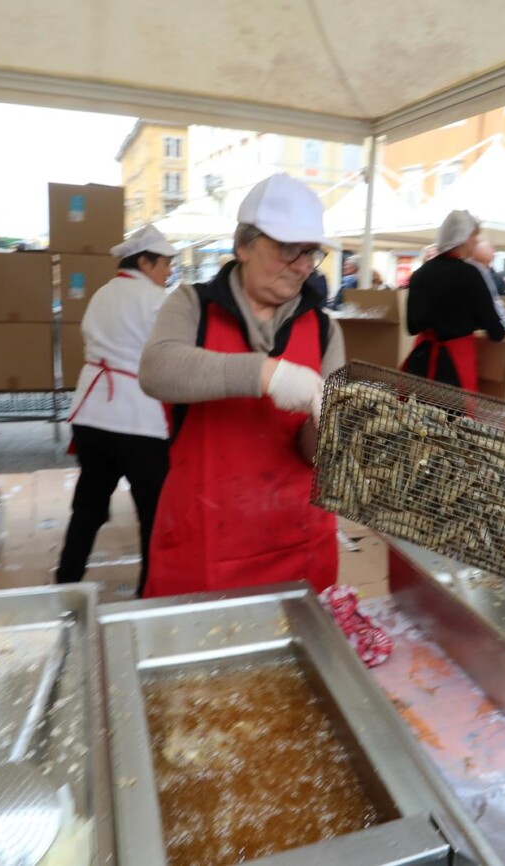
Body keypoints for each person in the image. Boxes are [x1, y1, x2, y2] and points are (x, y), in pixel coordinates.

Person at [138, 173, 344, 598]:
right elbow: (157, 369)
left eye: (311, 252)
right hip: (208, 542)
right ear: (243, 246)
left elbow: (314, 455)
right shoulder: (191, 306)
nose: (304, 265)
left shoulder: (324, 331)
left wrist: (328, 427)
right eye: (289, 248)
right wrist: (268, 374)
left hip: (297, 540)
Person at [56, 225, 174, 596]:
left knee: (89, 505)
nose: (169, 271)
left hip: (92, 416)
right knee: (152, 514)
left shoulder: (101, 295)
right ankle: (148, 593)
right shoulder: (157, 299)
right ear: (145, 261)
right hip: (138, 419)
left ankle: (66, 581)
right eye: (165, 264)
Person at [403, 210, 505, 390]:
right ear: (464, 238)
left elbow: (412, 326)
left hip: (420, 365)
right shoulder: (473, 274)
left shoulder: (420, 274)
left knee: (415, 416)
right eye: (475, 236)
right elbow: (497, 332)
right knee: (450, 418)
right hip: (453, 373)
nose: (476, 241)